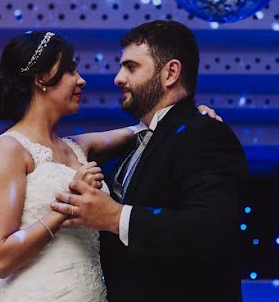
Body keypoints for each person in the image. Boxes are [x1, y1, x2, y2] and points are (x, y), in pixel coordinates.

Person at [0, 30, 223, 301]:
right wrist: (68, 207)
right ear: (42, 78)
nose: (81, 80)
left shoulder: (77, 147)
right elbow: (0, 259)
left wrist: (192, 115)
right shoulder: (8, 150)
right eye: (70, 70)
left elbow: (145, 128)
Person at [50, 20, 249, 302]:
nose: (117, 78)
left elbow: (211, 229)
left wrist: (115, 217)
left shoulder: (205, 133)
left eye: (131, 67)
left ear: (170, 73)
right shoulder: (141, 143)